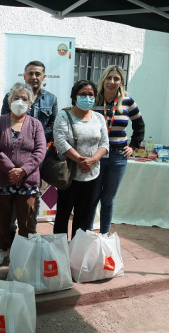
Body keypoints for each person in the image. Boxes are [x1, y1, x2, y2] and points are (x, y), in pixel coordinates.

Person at [0, 82, 46, 264]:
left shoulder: (36, 125)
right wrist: (11, 169)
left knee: (27, 221)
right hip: (3, 180)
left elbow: (40, 150)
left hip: (27, 182)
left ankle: (24, 253)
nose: (20, 102)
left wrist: (23, 171)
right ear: (9, 101)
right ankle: (2, 249)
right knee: (3, 221)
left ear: (30, 103)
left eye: (24, 99)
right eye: (16, 98)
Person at [1, 61, 58, 239]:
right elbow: (4, 123)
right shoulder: (9, 96)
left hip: (36, 158)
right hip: (12, 156)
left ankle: (29, 234)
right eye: (30, 73)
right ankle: (8, 236)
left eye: (37, 74)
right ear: (24, 76)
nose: (34, 77)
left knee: (32, 195)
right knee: (9, 193)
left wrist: (34, 141)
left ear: (43, 77)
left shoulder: (51, 99)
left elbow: (53, 127)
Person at [89, 65, 145, 234]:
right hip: (96, 155)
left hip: (118, 156)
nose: (111, 82)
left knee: (108, 200)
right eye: (108, 78)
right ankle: (87, 235)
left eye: (116, 79)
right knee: (92, 198)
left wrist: (134, 146)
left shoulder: (128, 102)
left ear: (121, 82)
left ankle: (104, 236)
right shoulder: (94, 100)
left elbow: (139, 124)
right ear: (103, 79)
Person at [53, 80, 109, 238]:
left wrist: (92, 161)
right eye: (83, 94)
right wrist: (80, 160)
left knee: (83, 217)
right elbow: (60, 141)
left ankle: (78, 251)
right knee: (63, 215)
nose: (87, 97)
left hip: (92, 174)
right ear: (74, 96)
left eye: (90, 95)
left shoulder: (98, 118)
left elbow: (105, 143)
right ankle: (60, 250)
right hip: (69, 175)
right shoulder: (64, 115)